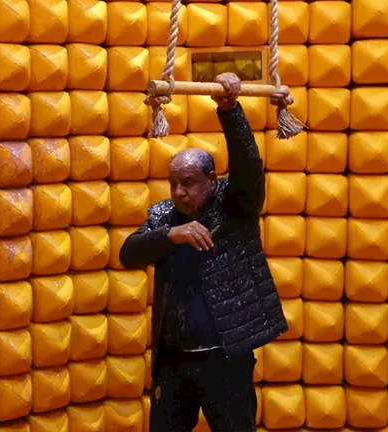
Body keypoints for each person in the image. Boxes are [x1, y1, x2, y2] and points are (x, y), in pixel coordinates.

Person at [119, 73, 288, 432]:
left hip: (226, 359)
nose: (179, 192)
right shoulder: (163, 216)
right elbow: (128, 254)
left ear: (212, 181)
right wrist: (171, 235)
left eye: (189, 183)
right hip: (174, 362)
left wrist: (230, 111)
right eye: (173, 184)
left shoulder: (235, 208)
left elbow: (248, 168)